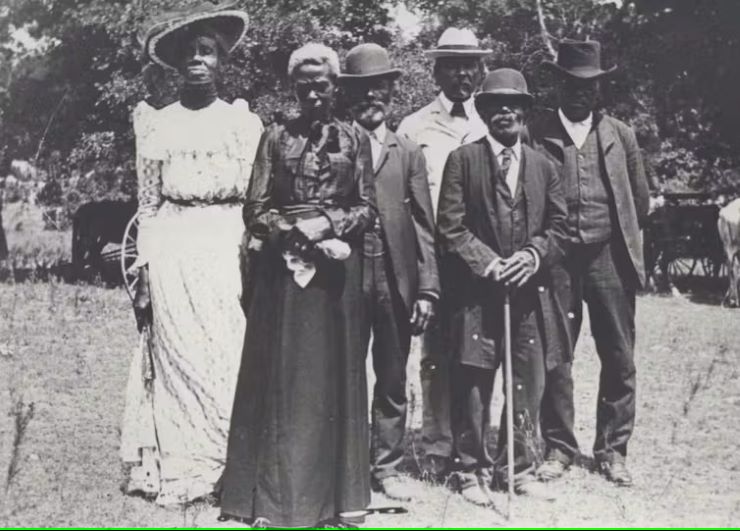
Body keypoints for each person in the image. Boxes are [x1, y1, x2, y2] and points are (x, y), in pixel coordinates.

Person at [219, 43, 377, 528]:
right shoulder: (274, 137)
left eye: (321, 84)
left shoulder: (355, 139)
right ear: (294, 87)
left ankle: (336, 502)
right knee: (281, 378)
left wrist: (327, 223)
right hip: (282, 273)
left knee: (333, 378)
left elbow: (369, 208)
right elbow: (255, 206)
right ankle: (270, 502)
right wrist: (291, 234)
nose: (313, 92)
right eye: (304, 84)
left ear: (335, 87)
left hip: (335, 276)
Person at [122, 4, 263, 505]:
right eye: (189, 54)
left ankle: (228, 462)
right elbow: (149, 201)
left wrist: (252, 250)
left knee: (226, 348)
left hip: (224, 241)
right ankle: (182, 465)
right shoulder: (158, 123)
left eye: (206, 52)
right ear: (176, 65)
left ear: (222, 60)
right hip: (174, 243)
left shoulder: (242, 123)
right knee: (177, 350)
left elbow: (254, 198)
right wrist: (143, 266)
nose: (197, 62)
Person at [436, 68, 569, 506]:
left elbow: (559, 227)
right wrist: (489, 264)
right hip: (477, 294)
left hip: (528, 295)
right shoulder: (464, 160)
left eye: (514, 105)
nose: (505, 112)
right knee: (474, 379)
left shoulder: (545, 166)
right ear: (484, 111)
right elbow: (450, 229)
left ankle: (518, 466)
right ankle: (467, 468)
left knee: (527, 381)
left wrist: (532, 256)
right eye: (495, 105)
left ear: (526, 112)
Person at [531, 39, 650, 487]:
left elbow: (638, 201)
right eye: (572, 84)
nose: (581, 92)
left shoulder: (621, 135)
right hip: (557, 260)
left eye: (590, 85)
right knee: (555, 356)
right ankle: (558, 447)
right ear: (558, 85)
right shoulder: (536, 131)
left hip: (609, 259)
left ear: (599, 89)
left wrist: (627, 251)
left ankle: (612, 450)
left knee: (618, 355)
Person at [338, 43, 440, 501]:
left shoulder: (409, 151)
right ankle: (345, 462)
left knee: (393, 376)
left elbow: (424, 224)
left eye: (379, 88)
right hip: (345, 278)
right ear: (349, 95)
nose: (371, 98)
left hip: (396, 279)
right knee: (344, 371)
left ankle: (388, 465)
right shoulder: (334, 143)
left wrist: (427, 290)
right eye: (361, 90)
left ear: (391, 93)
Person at [396, 26, 490, 479]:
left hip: (479, 260)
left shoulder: (493, 121)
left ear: (480, 69)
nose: (462, 74)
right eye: (452, 64)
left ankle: (474, 445)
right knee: (434, 353)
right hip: (432, 257)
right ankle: (435, 446)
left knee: (476, 354)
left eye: (469, 64)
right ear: (436, 69)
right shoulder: (414, 127)